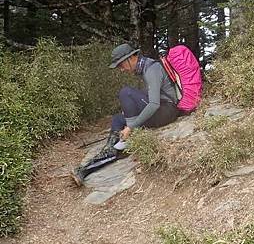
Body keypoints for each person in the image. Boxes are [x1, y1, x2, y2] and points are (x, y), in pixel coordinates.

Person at [71, 43, 180, 186]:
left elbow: (154, 104)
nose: (121, 70)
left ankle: (119, 145)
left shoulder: (152, 69)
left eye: (121, 65)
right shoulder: (145, 67)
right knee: (117, 119)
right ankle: (103, 157)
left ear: (131, 58)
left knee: (125, 92)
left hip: (167, 111)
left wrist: (131, 126)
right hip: (163, 109)